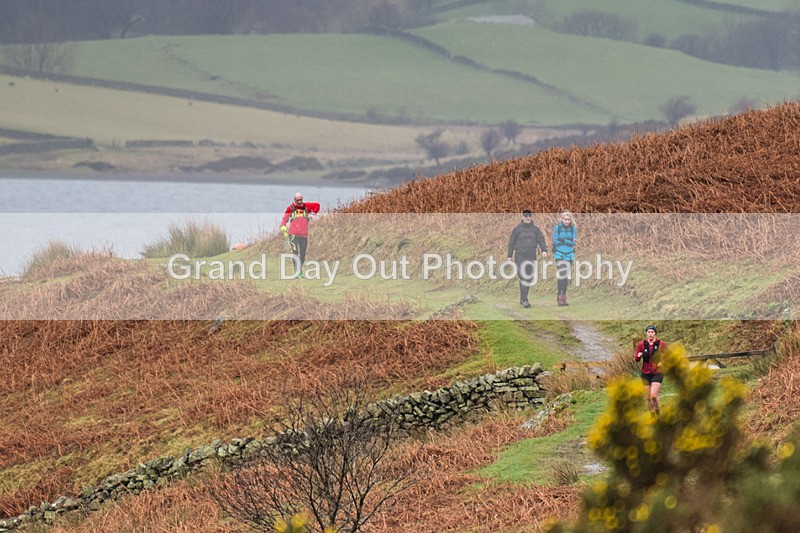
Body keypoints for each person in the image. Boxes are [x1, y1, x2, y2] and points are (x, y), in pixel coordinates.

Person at [507, 209, 547, 308]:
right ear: (522, 217)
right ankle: (525, 299)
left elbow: (541, 239)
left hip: (531, 255)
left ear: (531, 217)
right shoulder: (517, 229)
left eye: (529, 216)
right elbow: (511, 242)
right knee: (523, 276)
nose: (528, 218)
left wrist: (544, 250)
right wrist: (509, 256)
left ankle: (523, 298)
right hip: (520, 255)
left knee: (529, 277)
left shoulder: (535, 229)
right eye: (526, 216)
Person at [280, 192, 320, 278]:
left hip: (304, 235)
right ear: (294, 200)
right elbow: (284, 218)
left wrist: (312, 213)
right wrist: (283, 226)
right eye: (297, 200)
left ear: (302, 199)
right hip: (293, 234)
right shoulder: (291, 208)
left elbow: (317, 205)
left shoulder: (306, 207)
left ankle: (300, 271)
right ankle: (297, 272)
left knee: (303, 254)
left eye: (300, 200)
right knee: (295, 252)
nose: (299, 202)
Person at [635, 325, 666, 415]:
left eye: (652, 332)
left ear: (655, 333)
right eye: (649, 332)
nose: (650, 334)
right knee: (648, 397)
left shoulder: (661, 344)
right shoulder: (642, 344)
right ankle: (652, 416)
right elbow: (636, 359)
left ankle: (658, 413)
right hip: (645, 373)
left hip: (657, 372)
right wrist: (639, 355)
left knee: (653, 395)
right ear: (646, 334)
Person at [552, 211, 577, 306]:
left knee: (566, 276)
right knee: (561, 274)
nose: (566, 221)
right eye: (565, 219)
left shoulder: (573, 229)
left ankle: (564, 295)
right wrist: (568, 240)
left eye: (568, 219)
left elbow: (573, 243)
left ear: (571, 220)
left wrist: (562, 239)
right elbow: (555, 241)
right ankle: (559, 295)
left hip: (569, 254)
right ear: (562, 219)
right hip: (559, 254)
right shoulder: (557, 228)